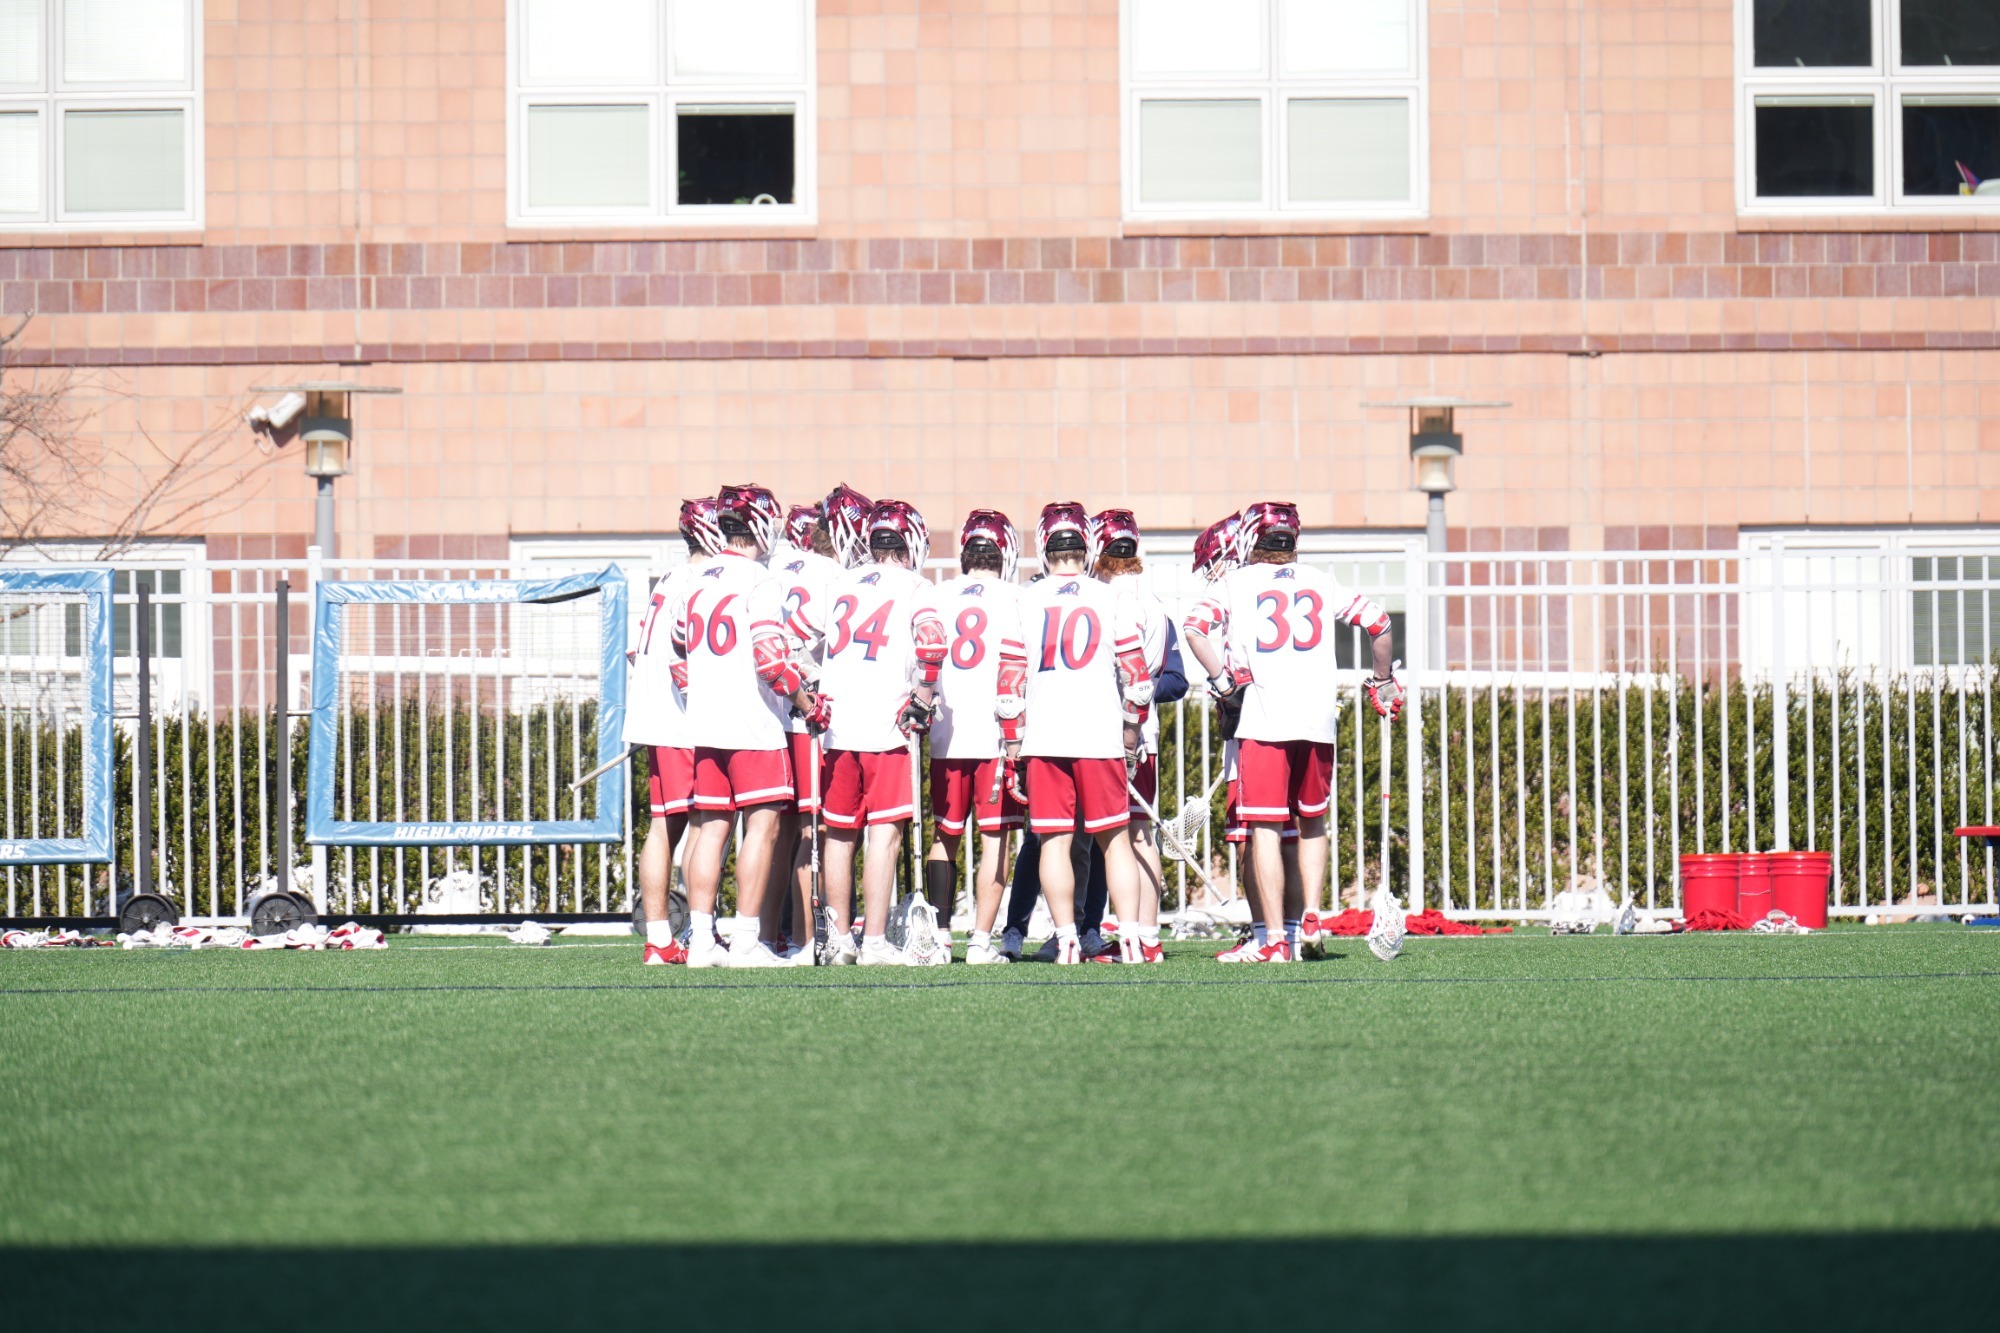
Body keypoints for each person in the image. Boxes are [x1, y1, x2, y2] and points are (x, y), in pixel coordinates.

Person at [1182, 501, 1403, 963]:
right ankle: (1310, 919)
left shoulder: (1234, 582)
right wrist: (1381, 680)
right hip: (1318, 721)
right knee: (1311, 822)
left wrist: (1225, 684)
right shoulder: (1321, 581)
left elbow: (1196, 628)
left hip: (1265, 719)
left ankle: (1274, 942)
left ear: (1250, 540)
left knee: (1263, 827)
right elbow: (1380, 625)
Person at [671, 482, 830, 968]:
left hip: (706, 722)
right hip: (751, 722)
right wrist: (806, 702)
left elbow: (679, 648)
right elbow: (770, 659)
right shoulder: (759, 580)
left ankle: (700, 940)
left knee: (712, 828)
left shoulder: (695, 578)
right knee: (760, 829)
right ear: (761, 526)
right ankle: (744, 940)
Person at [789, 499, 947, 965]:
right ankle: (874, 940)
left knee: (839, 833)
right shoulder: (917, 587)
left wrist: (812, 691)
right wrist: (921, 697)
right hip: (885, 723)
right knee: (884, 831)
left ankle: (839, 940)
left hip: (837, 725)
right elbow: (933, 644)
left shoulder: (839, 582)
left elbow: (794, 640)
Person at [1004, 502, 1155, 965]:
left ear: (1043, 545)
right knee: (1114, 839)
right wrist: (1131, 734)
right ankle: (1130, 937)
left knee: (1053, 841)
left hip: (1046, 736)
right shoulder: (1111, 597)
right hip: (1099, 733)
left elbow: (1010, 685)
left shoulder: (1025, 599)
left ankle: (1066, 937)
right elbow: (1139, 678)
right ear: (1086, 546)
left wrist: (1013, 747)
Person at [919, 510, 1028, 965]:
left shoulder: (937, 594)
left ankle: (940, 937)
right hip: (995, 735)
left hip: (946, 730)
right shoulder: (1017, 598)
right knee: (996, 839)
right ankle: (981, 940)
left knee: (943, 835)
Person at [628, 496, 722, 965]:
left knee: (664, 825)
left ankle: (659, 938)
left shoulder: (668, 577)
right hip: (684, 717)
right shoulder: (701, 581)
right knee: (707, 823)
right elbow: (686, 659)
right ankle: (700, 935)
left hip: (655, 713)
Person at [1087, 508, 1175, 963]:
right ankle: (1149, 937)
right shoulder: (1154, 599)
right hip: (1145, 726)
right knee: (1141, 836)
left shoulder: (1105, 597)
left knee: (1120, 836)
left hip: (1117, 728)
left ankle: (1135, 938)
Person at [763, 497, 849, 962]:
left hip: (770, 708)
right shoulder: (833, 576)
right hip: (808, 709)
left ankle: (765, 935)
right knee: (812, 830)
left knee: (778, 828)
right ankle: (805, 938)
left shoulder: (776, 564)